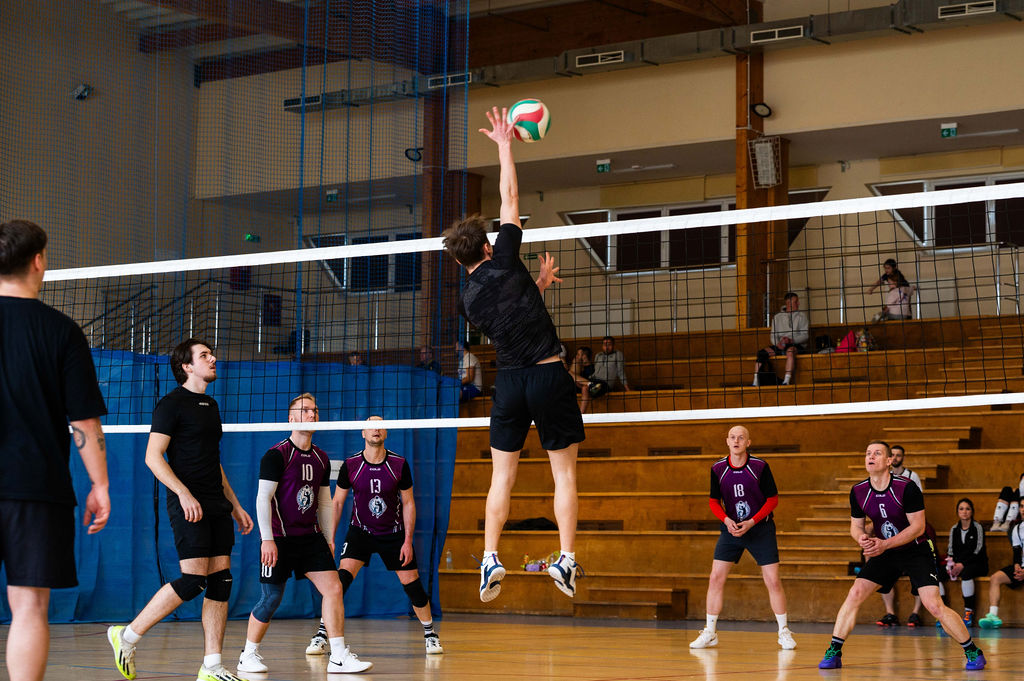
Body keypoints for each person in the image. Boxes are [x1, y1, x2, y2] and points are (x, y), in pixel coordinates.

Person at [442, 106, 585, 603]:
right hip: (547, 376)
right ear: (487, 246)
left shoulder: (468, 300)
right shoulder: (504, 257)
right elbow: (510, 198)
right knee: (564, 473)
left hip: (509, 384)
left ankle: (489, 558)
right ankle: (566, 559)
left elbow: (511, 315)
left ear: (458, 259)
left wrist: (535, 285)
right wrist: (504, 144)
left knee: (501, 476)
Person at [0, 219, 110, 681]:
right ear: (38, 260)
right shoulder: (61, 331)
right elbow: (83, 421)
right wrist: (100, 484)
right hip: (35, 488)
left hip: (35, 487)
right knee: (29, 606)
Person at [107, 339, 255, 681]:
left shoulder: (211, 405)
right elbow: (152, 457)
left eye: (211, 353)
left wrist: (234, 505)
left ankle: (212, 666)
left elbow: (213, 461)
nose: (213, 358)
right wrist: (184, 493)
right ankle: (126, 636)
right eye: (204, 355)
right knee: (193, 581)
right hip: (188, 503)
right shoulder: (171, 404)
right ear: (187, 366)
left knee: (221, 581)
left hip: (216, 503)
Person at [818, 441, 985, 671]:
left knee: (934, 605)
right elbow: (856, 526)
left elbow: (918, 527)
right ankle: (834, 651)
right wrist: (862, 538)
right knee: (855, 592)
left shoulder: (906, 488)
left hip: (916, 549)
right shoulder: (858, 491)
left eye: (877, 453)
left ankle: (972, 651)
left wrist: (884, 544)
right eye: (868, 453)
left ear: (889, 461)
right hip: (885, 551)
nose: (871, 456)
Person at [237, 393, 372, 675]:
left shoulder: (321, 458)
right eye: (305, 410)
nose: (312, 414)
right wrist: (267, 539)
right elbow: (263, 498)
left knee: (334, 588)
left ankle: (338, 657)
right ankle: (247, 655)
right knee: (271, 598)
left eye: (314, 410)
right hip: (279, 538)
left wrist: (329, 537)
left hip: (311, 538)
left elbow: (324, 501)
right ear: (291, 418)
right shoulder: (276, 455)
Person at [304, 415, 443, 655]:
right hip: (360, 532)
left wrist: (407, 541)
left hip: (393, 533)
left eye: (380, 426)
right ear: (363, 433)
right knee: (339, 583)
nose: (375, 429)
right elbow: (337, 503)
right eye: (370, 426)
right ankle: (322, 633)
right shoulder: (351, 464)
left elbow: (409, 503)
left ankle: (430, 634)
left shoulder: (399, 464)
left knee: (413, 585)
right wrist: (330, 538)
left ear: (386, 432)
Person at [690, 426, 796, 651]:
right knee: (715, 578)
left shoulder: (759, 466)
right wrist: (726, 520)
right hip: (732, 529)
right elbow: (713, 501)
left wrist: (752, 522)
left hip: (760, 529)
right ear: (727, 441)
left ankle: (784, 632)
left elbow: (773, 500)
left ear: (748, 442)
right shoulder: (718, 468)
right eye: (732, 437)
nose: (736, 440)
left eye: (741, 437)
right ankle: (710, 632)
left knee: (773, 580)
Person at [876, 444, 925, 626]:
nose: (896, 458)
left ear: (903, 457)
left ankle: (915, 613)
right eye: (893, 455)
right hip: (888, 528)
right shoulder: (880, 478)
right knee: (878, 569)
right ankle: (890, 613)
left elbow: (918, 504)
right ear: (888, 458)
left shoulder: (912, 477)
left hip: (909, 527)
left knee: (918, 572)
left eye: (899, 455)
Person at [945, 497, 988, 628]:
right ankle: (942, 615)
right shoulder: (954, 529)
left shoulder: (977, 527)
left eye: (967, 509)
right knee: (938, 574)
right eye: (961, 509)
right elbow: (950, 550)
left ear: (972, 511)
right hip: (958, 564)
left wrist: (962, 564)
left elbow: (978, 550)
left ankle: (968, 613)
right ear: (957, 512)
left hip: (977, 564)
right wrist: (951, 565)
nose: (964, 512)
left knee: (967, 573)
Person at [754, 292, 809, 386]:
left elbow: (805, 336)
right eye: (796, 302)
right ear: (788, 303)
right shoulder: (777, 317)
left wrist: (791, 340)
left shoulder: (802, 316)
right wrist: (778, 343)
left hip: (795, 344)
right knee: (761, 353)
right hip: (781, 345)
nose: (798, 303)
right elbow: (773, 336)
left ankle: (786, 381)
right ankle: (756, 381)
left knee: (790, 352)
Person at [568, 346, 595, 413]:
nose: (576, 356)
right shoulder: (579, 368)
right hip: (575, 386)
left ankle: (590, 384)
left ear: (584, 356)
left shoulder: (592, 368)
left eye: (578, 354)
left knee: (569, 373)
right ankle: (589, 383)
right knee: (569, 373)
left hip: (584, 388)